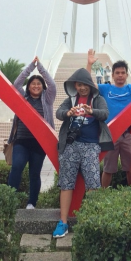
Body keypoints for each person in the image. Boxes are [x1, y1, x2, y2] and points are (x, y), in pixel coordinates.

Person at [52, 68, 113, 238]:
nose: (82, 87)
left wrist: (91, 111)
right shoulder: (71, 99)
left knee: (93, 183)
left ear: (90, 85)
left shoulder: (98, 99)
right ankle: (63, 222)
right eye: (79, 84)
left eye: (85, 84)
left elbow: (105, 114)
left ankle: (92, 221)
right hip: (70, 146)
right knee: (66, 183)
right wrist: (68, 113)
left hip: (91, 146)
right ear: (75, 86)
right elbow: (58, 113)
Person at [86, 48, 131, 188]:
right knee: (108, 169)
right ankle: (101, 196)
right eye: (117, 73)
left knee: (130, 168)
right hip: (110, 135)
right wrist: (89, 65)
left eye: (123, 73)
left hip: (127, 135)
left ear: (127, 75)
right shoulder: (106, 89)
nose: (120, 75)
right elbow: (87, 84)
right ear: (112, 75)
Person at [6, 56, 57, 210]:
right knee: (17, 167)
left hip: (39, 143)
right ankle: (9, 199)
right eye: (32, 84)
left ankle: (31, 203)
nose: (35, 86)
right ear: (28, 87)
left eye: (38, 84)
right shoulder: (23, 98)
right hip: (22, 141)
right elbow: (16, 83)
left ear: (42, 86)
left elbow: (52, 84)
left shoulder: (47, 99)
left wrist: (40, 66)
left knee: (34, 173)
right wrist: (31, 66)